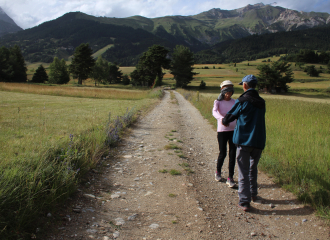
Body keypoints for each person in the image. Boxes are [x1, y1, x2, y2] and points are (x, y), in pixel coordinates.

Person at [222, 75, 266, 211]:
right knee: (253, 169)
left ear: (245, 85)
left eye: (243, 84)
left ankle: (244, 201)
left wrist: (224, 121)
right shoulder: (262, 101)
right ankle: (253, 194)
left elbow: (228, 118)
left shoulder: (242, 100)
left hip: (244, 140)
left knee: (243, 171)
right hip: (258, 141)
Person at [212, 80, 237, 188]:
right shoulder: (217, 102)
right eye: (227, 91)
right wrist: (222, 119)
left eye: (230, 91)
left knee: (233, 154)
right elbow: (214, 112)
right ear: (222, 91)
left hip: (233, 131)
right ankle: (218, 172)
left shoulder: (235, 102)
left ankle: (230, 177)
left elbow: (237, 113)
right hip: (222, 131)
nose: (228, 94)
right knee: (223, 153)